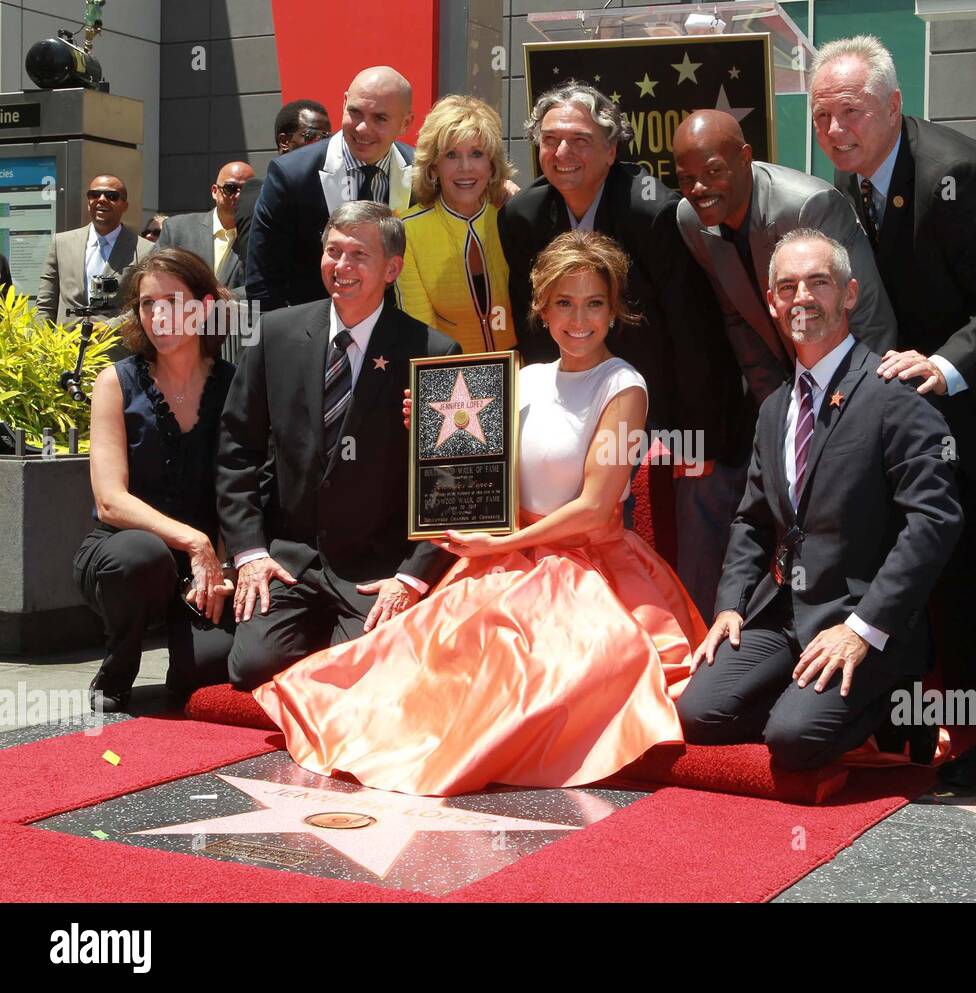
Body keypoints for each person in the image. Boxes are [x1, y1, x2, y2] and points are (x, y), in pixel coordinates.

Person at [253, 230, 706, 796]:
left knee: (520, 677)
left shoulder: (624, 385)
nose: (579, 319)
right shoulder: (523, 377)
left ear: (614, 310)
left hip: (585, 568)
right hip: (505, 553)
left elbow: (594, 510)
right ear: (541, 308)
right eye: (563, 302)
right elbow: (474, 465)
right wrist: (427, 424)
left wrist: (497, 545)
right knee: (423, 663)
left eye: (594, 303)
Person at [806, 34, 976, 787]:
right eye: (824, 115)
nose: (836, 130)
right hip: (942, 436)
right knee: (956, 583)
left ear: (895, 106)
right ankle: (969, 732)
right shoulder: (852, 185)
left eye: (852, 113)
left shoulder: (957, 174)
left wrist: (945, 364)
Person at [676, 229, 963, 770]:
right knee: (699, 713)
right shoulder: (774, 408)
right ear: (771, 303)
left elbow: (934, 520)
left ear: (850, 294)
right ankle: (805, 700)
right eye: (787, 287)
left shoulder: (893, 394)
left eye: (818, 283)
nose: (801, 297)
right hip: (784, 616)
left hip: (863, 621)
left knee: (794, 740)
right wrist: (730, 606)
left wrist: (863, 629)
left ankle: (895, 706)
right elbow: (752, 521)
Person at [498, 83, 746, 616]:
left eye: (581, 141)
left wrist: (696, 440)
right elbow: (537, 327)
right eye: (551, 140)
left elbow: (693, 334)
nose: (563, 154)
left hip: (657, 398)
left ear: (612, 150)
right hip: (575, 396)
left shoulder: (654, 211)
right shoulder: (520, 215)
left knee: (672, 546)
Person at [217, 201, 460, 690]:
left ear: (392, 268)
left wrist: (412, 576)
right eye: (333, 252)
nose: (342, 267)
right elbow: (236, 450)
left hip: (377, 568)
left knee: (369, 674)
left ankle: (344, 645)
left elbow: (451, 483)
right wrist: (248, 552)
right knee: (250, 668)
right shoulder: (275, 334)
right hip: (291, 560)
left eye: (358, 255)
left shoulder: (435, 352)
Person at [75, 248, 238, 711]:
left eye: (173, 300)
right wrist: (193, 540)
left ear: (205, 307)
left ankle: (187, 643)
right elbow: (110, 501)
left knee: (205, 676)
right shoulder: (115, 381)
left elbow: (240, 487)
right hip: (124, 550)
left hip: (205, 563)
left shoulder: (235, 384)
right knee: (140, 556)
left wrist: (222, 566)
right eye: (148, 304)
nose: (159, 315)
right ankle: (119, 664)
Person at [673, 109, 898, 405]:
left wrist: (857, 406)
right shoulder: (690, 220)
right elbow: (740, 323)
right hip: (788, 392)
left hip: (854, 388)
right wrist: (778, 409)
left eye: (713, 171)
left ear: (744, 157)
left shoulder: (810, 206)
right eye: (686, 178)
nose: (698, 189)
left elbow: (868, 318)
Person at [246, 68, 415, 311]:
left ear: (405, 123)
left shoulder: (424, 175)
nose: (362, 128)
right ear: (344, 102)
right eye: (355, 113)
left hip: (401, 340)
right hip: (314, 340)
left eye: (380, 118)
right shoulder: (291, 176)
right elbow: (262, 282)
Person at [395, 95, 517, 353]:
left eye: (476, 154)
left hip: (523, 369)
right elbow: (421, 334)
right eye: (451, 155)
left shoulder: (513, 215)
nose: (465, 168)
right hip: (451, 374)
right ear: (433, 167)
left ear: (492, 164)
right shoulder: (407, 231)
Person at [36, 174, 153, 324]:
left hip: (115, 344)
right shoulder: (61, 243)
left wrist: (110, 327)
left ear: (125, 206)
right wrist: (41, 342)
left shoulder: (145, 250)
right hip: (65, 343)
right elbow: (45, 304)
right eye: (95, 194)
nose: (102, 199)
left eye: (112, 196)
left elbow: (146, 304)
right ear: (88, 202)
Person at [234, 99, 332, 267]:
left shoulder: (332, 188)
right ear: (284, 142)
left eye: (327, 138)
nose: (323, 145)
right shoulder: (257, 190)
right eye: (312, 136)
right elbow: (256, 262)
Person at [156, 161, 255, 294]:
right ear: (215, 191)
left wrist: (225, 297)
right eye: (231, 188)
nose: (238, 195)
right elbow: (153, 275)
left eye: (246, 190)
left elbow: (266, 284)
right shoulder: (177, 229)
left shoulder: (263, 236)